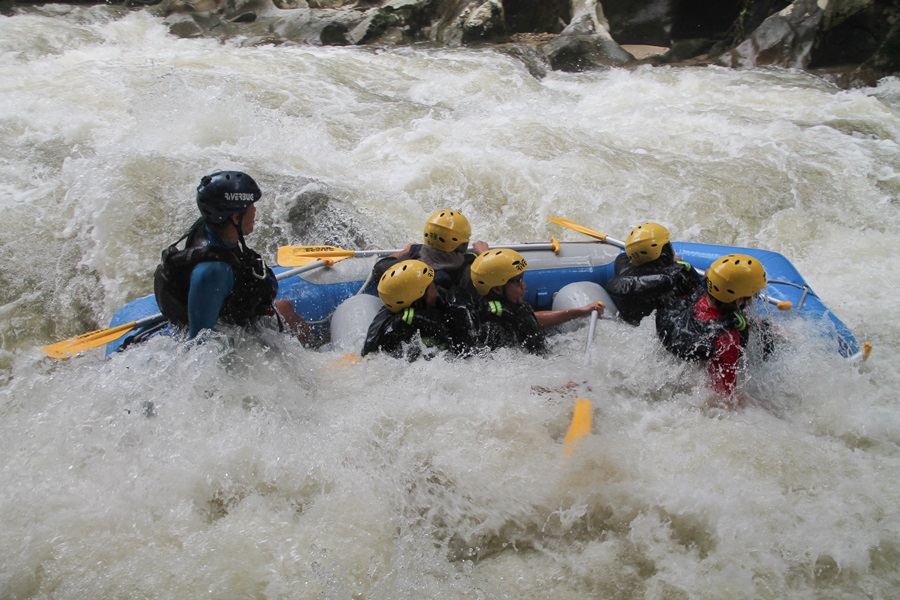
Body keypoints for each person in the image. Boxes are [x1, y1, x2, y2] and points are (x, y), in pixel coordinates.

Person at [153, 170, 313, 342]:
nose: (255, 211)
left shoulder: (211, 227)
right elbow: (200, 342)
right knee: (285, 309)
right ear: (236, 218)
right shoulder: (214, 270)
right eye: (251, 206)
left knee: (284, 307)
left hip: (228, 312)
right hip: (230, 334)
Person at [655, 253, 772, 406]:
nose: (754, 299)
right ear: (739, 299)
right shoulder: (727, 339)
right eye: (753, 295)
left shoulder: (702, 296)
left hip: (683, 335)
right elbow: (722, 397)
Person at [469, 249, 603, 354]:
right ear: (498, 289)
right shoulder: (497, 332)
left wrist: (579, 312)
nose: (524, 286)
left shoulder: (486, 304)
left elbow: (532, 319)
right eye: (518, 281)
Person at [361, 259, 475, 359]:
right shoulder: (391, 313)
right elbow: (369, 352)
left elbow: (466, 351)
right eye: (431, 287)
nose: (435, 289)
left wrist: (428, 321)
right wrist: (406, 320)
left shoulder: (454, 304)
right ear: (417, 299)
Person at [370, 209, 489, 304]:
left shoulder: (413, 255)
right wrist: (484, 255)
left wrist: (404, 252)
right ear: (462, 245)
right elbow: (494, 285)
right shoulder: (469, 268)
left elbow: (379, 269)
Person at [605, 222, 703, 325]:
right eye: (669, 244)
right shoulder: (678, 274)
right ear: (664, 251)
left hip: (635, 326)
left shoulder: (623, 265)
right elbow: (699, 298)